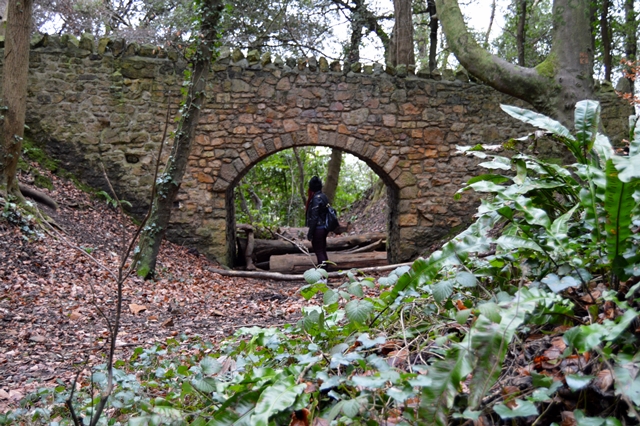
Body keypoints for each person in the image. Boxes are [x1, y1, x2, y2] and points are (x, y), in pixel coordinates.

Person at [305, 176, 329, 267]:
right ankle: (325, 271)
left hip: (318, 228)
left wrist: (310, 233)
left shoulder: (315, 198)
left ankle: (322, 273)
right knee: (322, 250)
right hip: (324, 227)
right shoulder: (323, 196)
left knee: (319, 251)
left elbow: (314, 217)